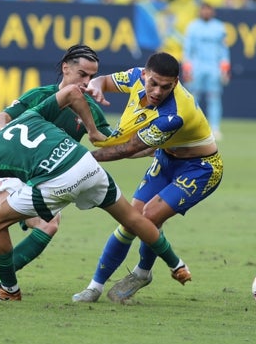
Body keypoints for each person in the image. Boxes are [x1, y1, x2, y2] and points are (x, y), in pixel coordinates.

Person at [0, 84, 192, 301]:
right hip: (87, 163)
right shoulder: (28, 116)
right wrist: (93, 130)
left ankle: (8, 290)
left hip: (59, 180)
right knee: (132, 219)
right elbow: (74, 93)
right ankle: (176, 264)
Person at [0, 45, 112, 292]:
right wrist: (7, 140)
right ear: (66, 69)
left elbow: (111, 142)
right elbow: (1, 116)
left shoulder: (90, 109)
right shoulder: (40, 96)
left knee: (49, 225)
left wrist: (150, 143)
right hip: (15, 169)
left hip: (48, 178)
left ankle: (0, 278)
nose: (87, 82)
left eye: (92, 76)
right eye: (83, 74)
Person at [72, 51, 223, 303]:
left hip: (200, 168)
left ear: (175, 83)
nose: (156, 91)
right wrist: (96, 85)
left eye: (165, 87)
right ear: (144, 74)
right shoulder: (135, 76)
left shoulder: (173, 115)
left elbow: (130, 149)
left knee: (148, 216)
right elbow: (104, 81)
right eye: (153, 83)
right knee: (130, 219)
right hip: (166, 158)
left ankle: (142, 272)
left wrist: (86, 158)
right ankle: (94, 287)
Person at [182, 2, 230, 140]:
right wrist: (187, 67)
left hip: (213, 67)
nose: (206, 13)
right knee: (192, 97)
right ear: (200, 11)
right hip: (197, 67)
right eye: (204, 10)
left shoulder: (219, 27)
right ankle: (191, 126)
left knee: (214, 97)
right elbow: (188, 50)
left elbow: (223, 50)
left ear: (212, 12)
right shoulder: (193, 27)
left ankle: (215, 128)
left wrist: (225, 68)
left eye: (208, 10)